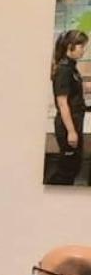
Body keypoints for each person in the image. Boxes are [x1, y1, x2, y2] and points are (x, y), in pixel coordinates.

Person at [48, 29, 87, 185]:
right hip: (67, 125)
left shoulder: (71, 67)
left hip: (74, 122)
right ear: (70, 46)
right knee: (67, 169)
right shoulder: (64, 70)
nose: (84, 50)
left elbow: (77, 87)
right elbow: (62, 103)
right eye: (81, 47)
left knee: (73, 165)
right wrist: (71, 132)